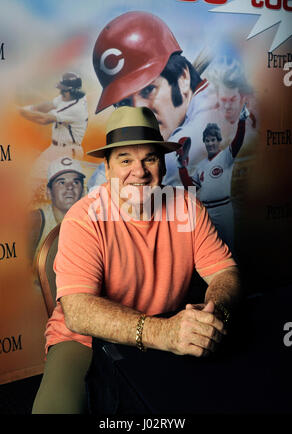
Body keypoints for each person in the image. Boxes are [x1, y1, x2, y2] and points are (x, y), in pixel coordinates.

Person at [32, 106, 242, 414]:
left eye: (150, 158)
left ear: (162, 162)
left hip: (165, 324)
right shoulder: (84, 217)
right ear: (107, 165)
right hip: (84, 338)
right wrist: (164, 332)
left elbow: (226, 273)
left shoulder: (187, 207)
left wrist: (215, 311)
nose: (139, 171)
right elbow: (77, 312)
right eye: (125, 159)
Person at [87, 11, 217, 190]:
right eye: (124, 103)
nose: (140, 111)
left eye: (148, 90)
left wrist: (110, 169)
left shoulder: (212, 111)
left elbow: (166, 163)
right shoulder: (174, 118)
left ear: (183, 77)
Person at [176, 104, 249, 252]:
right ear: (204, 142)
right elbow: (191, 188)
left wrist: (242, 121)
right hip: (207, 212)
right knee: (210, 250)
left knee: (228, 250)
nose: (210, 143)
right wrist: (181, 168)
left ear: (219, 140)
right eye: (207, 140)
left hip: (223, 210)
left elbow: (238, 141)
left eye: (213, 140)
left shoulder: (226, 156)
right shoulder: (201, 166)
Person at [20, 72, 88, 179]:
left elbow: (44, 119)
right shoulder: (68, 98)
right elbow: (49, 105)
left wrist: (20, 112)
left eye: (64, 90)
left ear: (72, 91)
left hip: (69, 151)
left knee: (57, 183)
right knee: (35, 177)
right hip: (55, 148)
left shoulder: (76, 108)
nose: (61, 92)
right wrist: (31, 108)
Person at [30, 156, 85, 262]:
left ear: (83, 192)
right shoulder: (35, 222)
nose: (70, 187)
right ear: (49, 192)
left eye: (76, 182)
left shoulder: (92, 223)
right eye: (62, 182)